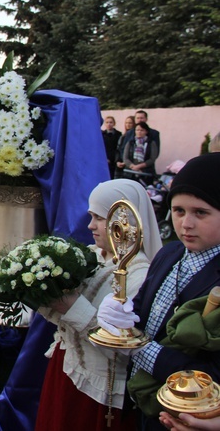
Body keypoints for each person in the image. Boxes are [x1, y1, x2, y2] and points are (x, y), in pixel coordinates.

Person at [97, 153, 220, 431]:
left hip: (190, 417)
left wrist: (137, 346)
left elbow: (212, 374)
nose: (186, 224)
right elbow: (141, 310)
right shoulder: (170, 253)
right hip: (146, 402)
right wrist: (119, 314)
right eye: (178, 211)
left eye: (201, 212)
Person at [34, 179, 163, 430]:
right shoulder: (92, 255)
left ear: (126, 220)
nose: (90, 225)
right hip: (67, 368)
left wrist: (71, 307)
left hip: (98, 390)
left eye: (100, 218)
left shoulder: (138, 274)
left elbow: (125, 348)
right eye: (91, 216)